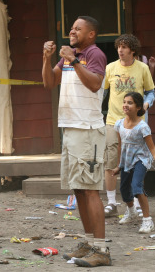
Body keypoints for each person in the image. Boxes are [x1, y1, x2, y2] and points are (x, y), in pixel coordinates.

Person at [42, 16, 111, 267]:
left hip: (88, 129)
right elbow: (49, 82)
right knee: (79, 189)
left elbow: (94, 85)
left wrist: (73, 59)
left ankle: (101, 250)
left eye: (78, 28)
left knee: (91, 189)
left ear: (91, 34)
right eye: (71, 27)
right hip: (70, 128)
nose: (72, 30)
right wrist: (46, 59)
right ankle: (88, 242)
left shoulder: (94, 54)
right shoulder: (69, 56)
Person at [103, 34, 155, 219]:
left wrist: (147, 104)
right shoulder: (110, 68)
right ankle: (111, 203)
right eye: (119, 47)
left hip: (135, 124)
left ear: (132, 50)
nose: (120, 50)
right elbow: (102, 92)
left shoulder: (142, 68)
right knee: (110, 161)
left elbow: (150, 92)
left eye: (124, 47)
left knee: (135, 163)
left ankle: (135, 202)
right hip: (112, 121)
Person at [111, 92, 155, 233]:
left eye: (130, 103)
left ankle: (147, 221)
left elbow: (152, 148)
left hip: (140, 159)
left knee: (136, 187)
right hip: (126, 160)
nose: (125, 105)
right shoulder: (119, 124)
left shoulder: (142, 127)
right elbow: (120, 145)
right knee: (124, 190)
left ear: (138, 107)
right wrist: (119, 165)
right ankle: (131, 212)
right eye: (124, 102)